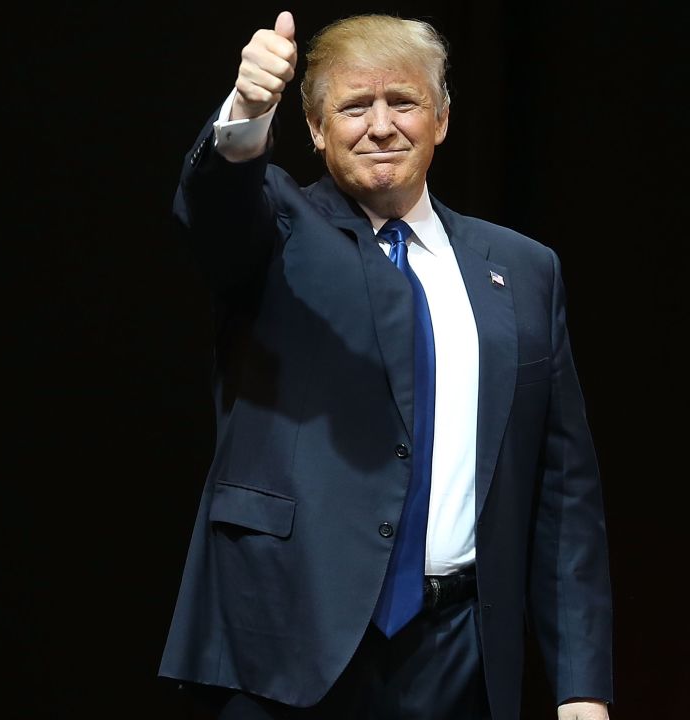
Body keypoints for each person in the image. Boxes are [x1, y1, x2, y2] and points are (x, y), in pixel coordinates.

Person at [157, 10, 613, 720]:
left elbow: (564, 493)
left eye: (402, 102)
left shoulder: (524, 270)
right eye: (353, 106)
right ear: (313, 128)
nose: (380, 125)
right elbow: (215, 207)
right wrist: (246, 114)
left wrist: (581, 686)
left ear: (442, 119)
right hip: (286, 644)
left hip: (460, 651)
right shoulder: (274, 227)